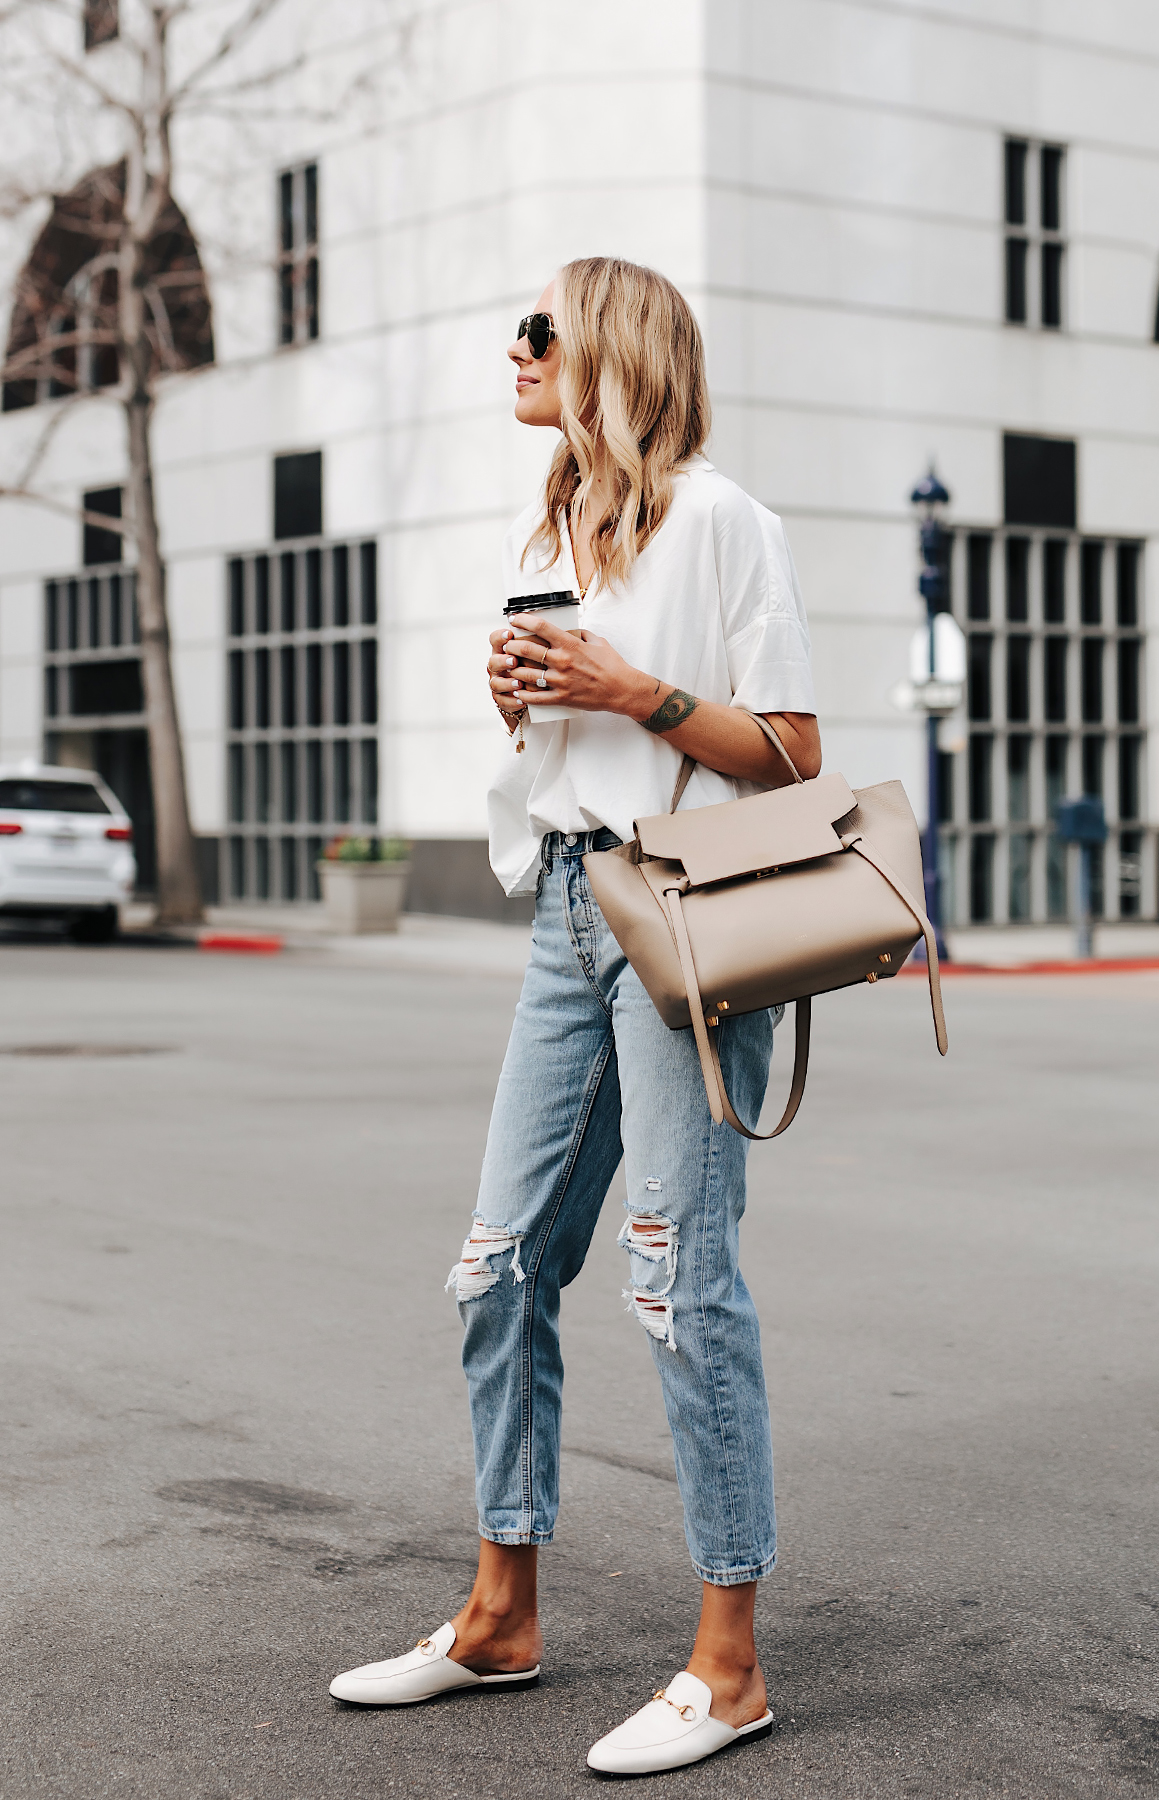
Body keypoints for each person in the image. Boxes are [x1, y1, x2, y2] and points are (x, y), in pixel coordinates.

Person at [329, 256, 821, 1776]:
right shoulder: (549, 523)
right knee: (495, 1269)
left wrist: (634, 691)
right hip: (563, 906)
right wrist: (523, 700)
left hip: (683, 914)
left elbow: (794, 755)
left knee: (676, 1279)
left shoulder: (727, 518)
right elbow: (557, 753)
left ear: (611, 350)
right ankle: (500, 1618)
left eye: (539, 330)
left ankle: (729, 1664)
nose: (515, 349)